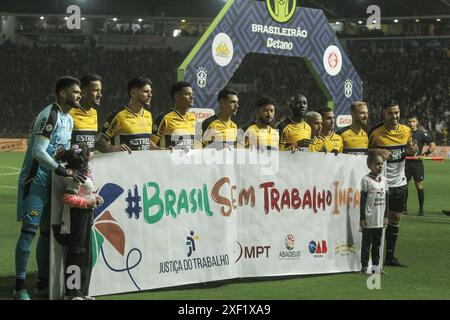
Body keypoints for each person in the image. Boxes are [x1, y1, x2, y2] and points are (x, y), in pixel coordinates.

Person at [14, 76, 85, 300]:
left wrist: (73, 157)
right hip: (35, 180)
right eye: (75, 92)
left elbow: (58, 151)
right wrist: (61, 170)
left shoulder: (69, 119)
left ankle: (42, 283)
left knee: (46, 233)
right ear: (62, 93)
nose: (79, 95)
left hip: (52, 180)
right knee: (29, 232)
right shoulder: (50, 115)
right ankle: (19, 288)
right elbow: (38, 151)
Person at [368, 101, 418, 267]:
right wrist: (376, 151)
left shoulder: (406, 131)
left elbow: (409, 150)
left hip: (400, 183)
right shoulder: (375, 132)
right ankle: (372, 257)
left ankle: (389, 256)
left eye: (397, 113)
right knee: (376, 221)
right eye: (391, 113)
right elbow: (364, 152)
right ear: (384, 113)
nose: (395, 116)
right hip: (380, 184)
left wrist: (411, 151)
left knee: (395, 218)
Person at [56, 143, 103, 300]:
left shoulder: (86, 173)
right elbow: (68, 198)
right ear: (85, 157)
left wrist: (96, 198)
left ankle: (83, 292)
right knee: (77, 252)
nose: (91, 155)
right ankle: (72, 292)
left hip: (86, 215)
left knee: (86, 254)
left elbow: (89, 192)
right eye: (89, 153)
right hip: (78, 216)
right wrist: (87, 203)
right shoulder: (80, 176)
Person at [96, 76, 161, 152]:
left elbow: (146, 143)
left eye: (150, 92)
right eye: (146, 91)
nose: (150, 95)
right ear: (133, 93)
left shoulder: (148, 115)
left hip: (143, 163)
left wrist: (165, 150)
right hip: (123, 163)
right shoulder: (118, 115)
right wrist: (114, 148)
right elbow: (100, 142)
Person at [360, 150, 389, 275]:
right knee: (367, 243)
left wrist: (386, 216)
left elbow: (387, 199)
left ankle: (376, 266)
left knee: (377, 244)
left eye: (382, 164)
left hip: (380, 218)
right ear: (370, 165)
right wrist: (362, 217)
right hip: (369, 217)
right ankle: (365, 266)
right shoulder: (366, 180)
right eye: (377, 164)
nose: (380, 166)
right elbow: (363, 200)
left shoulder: (384, 180)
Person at [405, 115, 436, 216]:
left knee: (419, 186)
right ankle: (404, 208)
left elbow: (433, 145)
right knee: (404, 186)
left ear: (417, 122)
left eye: (413, 121)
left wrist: (424, 155)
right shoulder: (404, 133)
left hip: (417, 163)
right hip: (406, 163)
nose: (411, 123)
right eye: (409, 122)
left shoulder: (422, 133)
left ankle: (421, 209)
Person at [152, 81, 198, 150]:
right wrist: (163, 150)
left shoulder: (193, 117)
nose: (192, 97)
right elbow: (149, 144)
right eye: (187, 94)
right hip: (167, 160)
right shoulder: (164, 117)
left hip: (187, 160)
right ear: (176, 96)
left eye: (192, 94)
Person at [69, 74, 102, 153]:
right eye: (96, 90)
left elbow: (93, 143)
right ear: (83, 92)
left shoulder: (94, 113)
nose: (100, 95)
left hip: (89, 165)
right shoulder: (68, 113)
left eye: (100, 91)